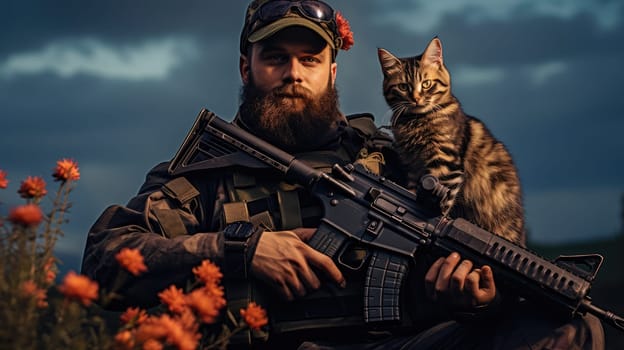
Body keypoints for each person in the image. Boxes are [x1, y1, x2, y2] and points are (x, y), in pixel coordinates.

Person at [81, 1, 605, 349]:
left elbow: (444, 264)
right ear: (247, 68)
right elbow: (106, 256)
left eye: (310, 59)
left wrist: (468, 298)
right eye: (275, 58)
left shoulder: (389, 158)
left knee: (571, 327)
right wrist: (243, 248)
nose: (293, 73)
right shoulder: (205, 174)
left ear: (333, 70)